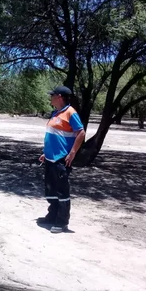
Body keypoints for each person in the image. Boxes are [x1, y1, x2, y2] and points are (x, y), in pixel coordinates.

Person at [37, 86, 86, 233]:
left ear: (59, 97)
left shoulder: (70, 112)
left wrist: (72, 153)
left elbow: (81, 133)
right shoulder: (56, 113)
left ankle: (62, 221)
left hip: (61, 159)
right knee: (50, 189)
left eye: (52, 95)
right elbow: (55, 135)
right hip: (50, 158)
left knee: (61, 190)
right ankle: (52, 215)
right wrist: (46, 153)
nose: (50, 98)